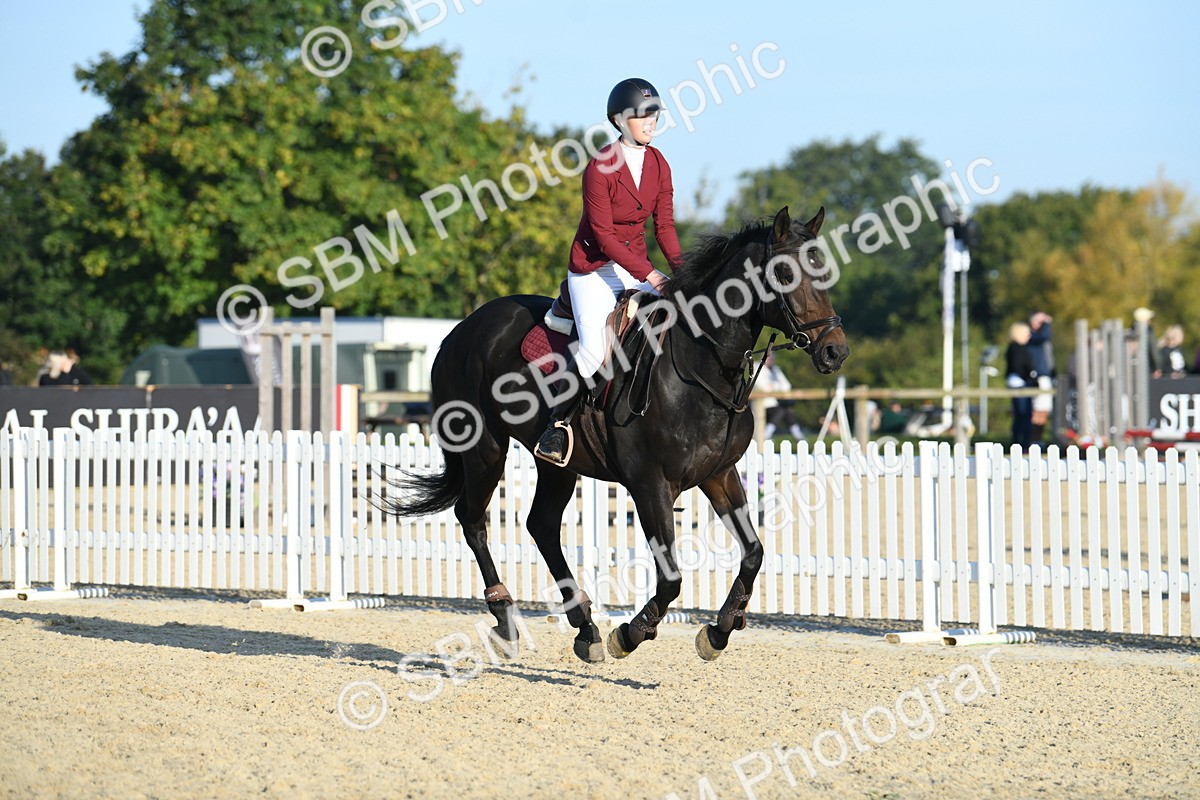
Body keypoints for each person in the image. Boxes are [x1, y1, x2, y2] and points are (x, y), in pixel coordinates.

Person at [535, 78, 683, 464]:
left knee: (675, 322)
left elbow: (664, 227)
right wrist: (651, 275)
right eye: (643, 114)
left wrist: (685, 273)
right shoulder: (600, 168)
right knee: (593, 351)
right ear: (619, 120)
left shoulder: (659, 163)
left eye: (655, 113)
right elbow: (603, 236)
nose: (651, 121)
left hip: (635, 265)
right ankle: (558, 425)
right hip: (593, 268)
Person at [758, 351, 804, 439]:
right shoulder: (758, 368)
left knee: (786, 410)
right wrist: (777, 386)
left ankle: (797, 435)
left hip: (776, 403)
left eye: (772, 358)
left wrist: (774, 386)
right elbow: (763, 386)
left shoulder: (776, 370)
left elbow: (787, 385)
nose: (772, 360)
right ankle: (767, 434)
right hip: (762, 404)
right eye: (769, 358)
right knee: (782, 410)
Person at [1005, 322, 1036, 450]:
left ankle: (1020, 442)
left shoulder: (1015, 348)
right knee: (1023, 414)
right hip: (1020, 383)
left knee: (1021, 415)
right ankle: (1021, 443)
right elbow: (1019, 367)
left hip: (1020, 382)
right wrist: (1030, 377)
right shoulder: (1017, 349)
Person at [1027, 311, 1055, 444]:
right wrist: (1047, 323)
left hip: (1045, 376)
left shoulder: (1039, 339)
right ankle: (1034, 439)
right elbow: (1044, 335)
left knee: (1044, 410)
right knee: (1039, 410)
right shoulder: (1032, 337)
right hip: (1039, 377)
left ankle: (1038, 438)